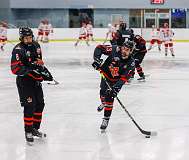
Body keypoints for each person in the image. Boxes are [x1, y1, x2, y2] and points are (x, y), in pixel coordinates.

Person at [11, 27, 53, 145]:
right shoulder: (18, 49)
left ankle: (35, 129)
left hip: (36, 81)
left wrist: (44, 71)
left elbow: (38, 62)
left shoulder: (36, 45)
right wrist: (30, 67)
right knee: (30, 106)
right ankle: (28, 131)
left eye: (30, 37)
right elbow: (15, 69)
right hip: (24, 82)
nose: (29, 40)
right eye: (26, 38)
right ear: (21, 38)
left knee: (40, 104)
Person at [92, 40, 135, 131]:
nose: (124, 50)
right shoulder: (114, 49)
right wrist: (97, 60)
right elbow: (99, 48)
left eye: (127, 50)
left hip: (116, 81)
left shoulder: (131, 63)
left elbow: (124, 78)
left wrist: (116, 87)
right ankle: (103, 103)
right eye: (123, 48)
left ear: (131, 51)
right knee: (102, 93)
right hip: (106, 75)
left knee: (110, 97)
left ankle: (106, 119)